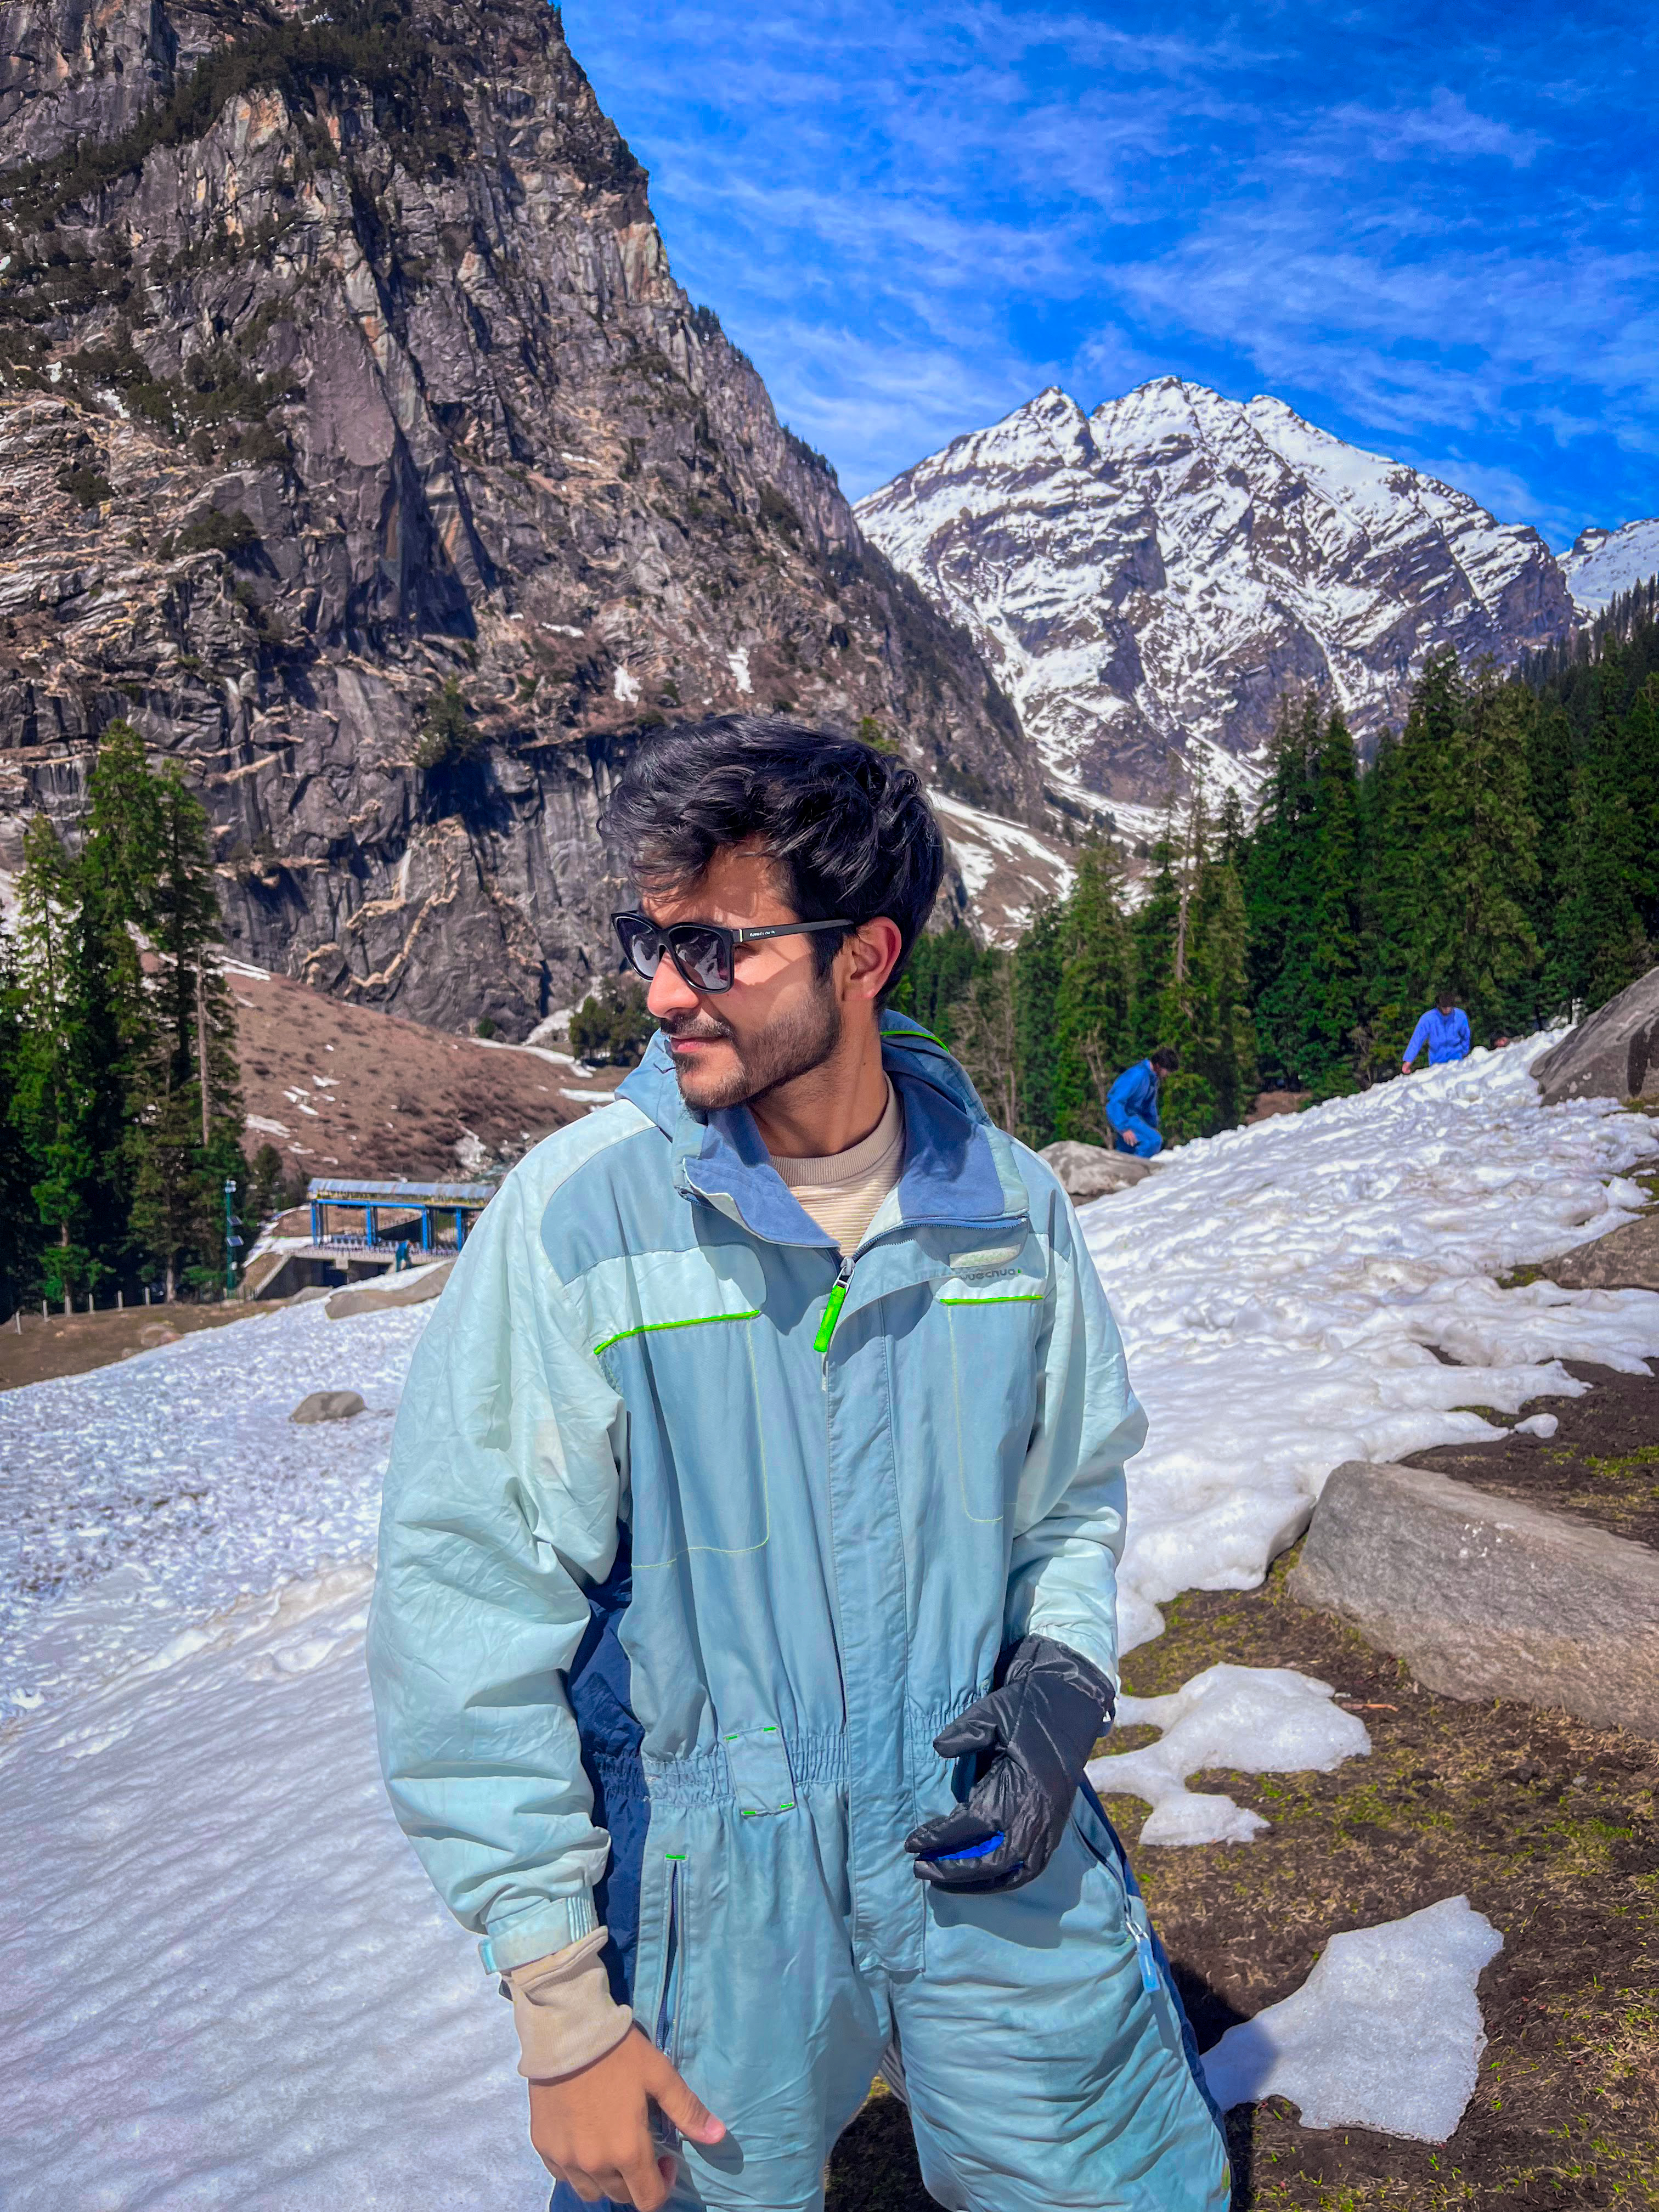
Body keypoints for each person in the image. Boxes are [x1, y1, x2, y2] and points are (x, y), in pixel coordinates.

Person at [366, 717, 1229, 2212]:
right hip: (710, 1896)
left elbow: (1069, 1501)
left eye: (716, 948)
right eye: (654, 939)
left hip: (982, 1829)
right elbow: (466, 1608)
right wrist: (560, 2005)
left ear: (865, 957)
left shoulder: (1011, 1213)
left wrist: (1059, 1680)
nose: (661, 991)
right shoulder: (580, 1220)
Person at [1104, 1045, 1180, 1158]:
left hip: (1134, 1117)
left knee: (1127, 1150)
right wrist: (1124, 1128)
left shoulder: (1153, 1079)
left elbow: (1149, 1105)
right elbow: (1115, 1101)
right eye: (1167, 1071)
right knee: (1153, 1141)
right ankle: (1136, 1168)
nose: (1168, 1074)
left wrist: (1152, 1124)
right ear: (1158, 1065)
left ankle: (1119, 1166)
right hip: (1125, 1116)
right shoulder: (1137, 1075)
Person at [1402, 989, 1471, 1072]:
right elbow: (1417, 1039)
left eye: (1449, 1007)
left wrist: (1465, 1052)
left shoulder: (1460, 1016)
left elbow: (1466, 1035)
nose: (1447, 1009)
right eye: (1444, 1007)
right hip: (1436, 1062)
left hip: (1456, 1059)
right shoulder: (1428, 1019)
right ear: (1438, 1006)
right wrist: (1408, 1061)